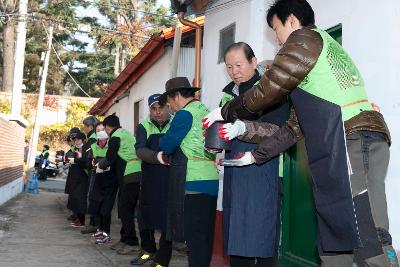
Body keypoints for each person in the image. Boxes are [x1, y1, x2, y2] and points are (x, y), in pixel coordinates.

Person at [204, 0, 397, 266]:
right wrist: (256, 157)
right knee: (334, 234)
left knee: (367, 229)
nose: (277, 39)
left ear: (292, 20)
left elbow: (269, 87)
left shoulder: (305, 38)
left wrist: (227, 112)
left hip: (351, 138)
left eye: (276, 29)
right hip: (344, 141)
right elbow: (294, 127)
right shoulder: (315, 58)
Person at [219, 42, 288, 267]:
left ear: (253, 62)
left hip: (263, 169)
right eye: (229, 66)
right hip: (235, 172)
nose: (234, 71)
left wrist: (243, 128)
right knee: (236, 234)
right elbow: (221, 132)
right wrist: (216, 150)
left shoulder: (270, 91)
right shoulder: (227, 96)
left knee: (263, 236)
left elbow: (277, 130)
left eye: (238, 64)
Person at [158, 77, 219, 267]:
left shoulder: (185, 114)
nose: (170, 106)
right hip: (211, 179)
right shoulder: (205, 110)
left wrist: (163, 146)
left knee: (195, 239)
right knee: (206, 236)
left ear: (176, 96)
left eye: (169, 101)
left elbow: (167, 143)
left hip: (193, 180)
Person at [131, 94, 173, 266]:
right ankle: (147, 251)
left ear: (168, 107)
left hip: (171, 178)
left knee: (167, 220)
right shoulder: (143, 126)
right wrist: (158, 157)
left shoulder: (176, 123)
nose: (157, 112)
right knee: (144, 215)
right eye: (153, 109)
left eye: (161, 108)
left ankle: (162, 260)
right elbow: (140, 150)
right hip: (149, 177)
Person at [98, 115, 141, 255]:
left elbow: (110, 157)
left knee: (124, 210)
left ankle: (132, 242)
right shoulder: (127, 134)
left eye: (105, 129)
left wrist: (100, 165)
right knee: (128, 207)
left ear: (108, 127)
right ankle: (124, 238)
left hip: (128, 174)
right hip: (138, 173)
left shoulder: (115, 137)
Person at [88, 122, 118, 244]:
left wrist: (106, 166)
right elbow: (92, 160)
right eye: (100, 139)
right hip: (97, 177)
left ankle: (106, 234)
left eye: (104, 139)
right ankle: (99, 229)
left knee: (106, 209)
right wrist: (93, 163)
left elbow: (113, 160)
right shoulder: (94, 146)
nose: (102, 141)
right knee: (96, 205)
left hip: (110, 178)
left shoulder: (112, 145)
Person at [66, 132, 91, 227]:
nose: (76, 141)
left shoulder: (87, 147)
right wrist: (68, 162)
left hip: (83, 176)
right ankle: (77, 218)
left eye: (78, 139)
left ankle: (81, 220)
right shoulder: (76, 148)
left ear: (83, 139)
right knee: (74, 198)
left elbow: (86, 159)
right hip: (74, 175)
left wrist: (75, 160)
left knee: (80, 198)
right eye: (75, 140)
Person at [81, 115, 101, 235]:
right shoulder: (93, 137)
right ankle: (94, 223)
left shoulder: (94, 137)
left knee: (92, 196)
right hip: (94, 168)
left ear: (90, 126)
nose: (84, 129)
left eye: (85, 126)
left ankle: (94, 224)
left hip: (94, 170)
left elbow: (90, 156)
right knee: (92, 196)